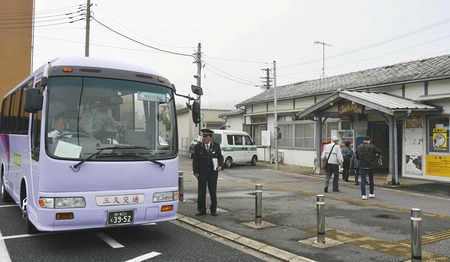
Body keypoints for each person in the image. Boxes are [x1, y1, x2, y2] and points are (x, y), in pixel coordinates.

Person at [192, 129, 224, 216]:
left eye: (206, 136)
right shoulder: (198, 147)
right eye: (203, 136)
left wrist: (220, 165)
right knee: (201, 192)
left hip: (212, 173)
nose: (204, 138)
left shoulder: (216, 146)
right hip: (201, 173)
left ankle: (213, 210)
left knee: (213, 192)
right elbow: (195, 160)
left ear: (210, 137)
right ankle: (201, 210)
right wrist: (195, 171)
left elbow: (220, 157)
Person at [356, 136, 382, 200]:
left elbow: (357, 156)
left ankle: (363, 195)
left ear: (363, 141)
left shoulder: (359, 147)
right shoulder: (372, 147)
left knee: (363, 180)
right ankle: (371, 193)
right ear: (369, 141)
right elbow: (379, 151)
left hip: (362, 165)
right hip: (371, 165)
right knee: (371, 179)